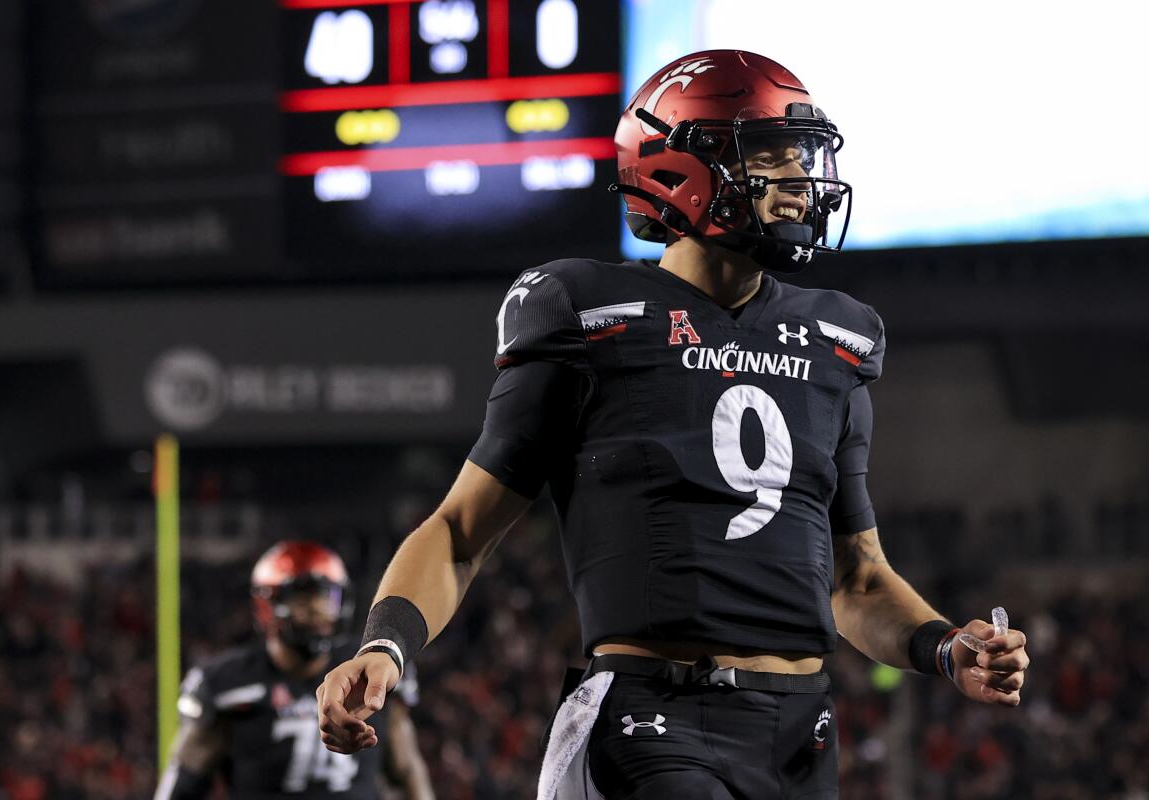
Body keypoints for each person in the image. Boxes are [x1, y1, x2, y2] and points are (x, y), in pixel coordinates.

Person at [316, 50, 1031, 798]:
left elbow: (856, 576)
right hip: (650, 718)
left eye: (801, 155)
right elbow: (461, 531)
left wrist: (948, 647)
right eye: (769, 154)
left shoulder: (836, 339)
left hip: (799, 734)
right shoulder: (590, 314)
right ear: (681, 165)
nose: (798, 180)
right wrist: (385, 645)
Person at [155, 541, 433, 799]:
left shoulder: (368, 668)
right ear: (268, 605)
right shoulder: (226, 683)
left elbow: (406, 768)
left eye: (326, 598)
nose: (317, 610)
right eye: (302, 599)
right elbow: (184, 779)